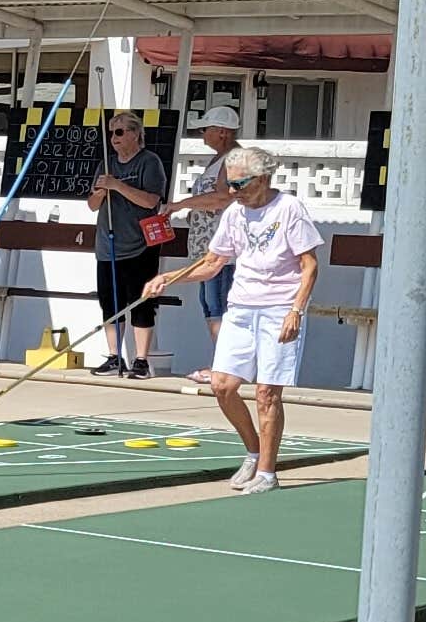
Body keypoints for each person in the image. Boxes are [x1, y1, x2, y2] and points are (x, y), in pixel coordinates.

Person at [148, 146, 324, 493]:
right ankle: (254, 452)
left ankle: (268, 474)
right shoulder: (233, 213)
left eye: (239, 184)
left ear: (262, 179)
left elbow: (310, 265)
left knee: (266, 393)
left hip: (279, 309)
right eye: (230, 183)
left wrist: (296, 311)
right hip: (240, 308)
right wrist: (168, 278)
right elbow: (213, 262)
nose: (232, 191)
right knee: (222, 385)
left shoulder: (289, 208)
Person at [158, 103, 248, 394]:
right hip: (207, 246)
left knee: (219, 305)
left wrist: (182, 204)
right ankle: (222, 363)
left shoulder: (234, 159)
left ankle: (225, 367)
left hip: (223, 250)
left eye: (206, 129)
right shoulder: (218, 159)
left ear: (222, 132)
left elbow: (223, 198)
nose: (202, 134)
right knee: (211, 305)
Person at [83, 111, 171, 376]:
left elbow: (151, 201)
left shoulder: (149, 162)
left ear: (135, 134)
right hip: (108, 245)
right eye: (112, 133)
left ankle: (141, 360)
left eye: (120, 132)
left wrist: (118, 186)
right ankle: (114, 356)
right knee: (110, 302)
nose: (114, 138)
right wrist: (101, 192)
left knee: (141, 302)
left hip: (140, 244)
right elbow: (92, 205)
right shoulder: (106, 164)